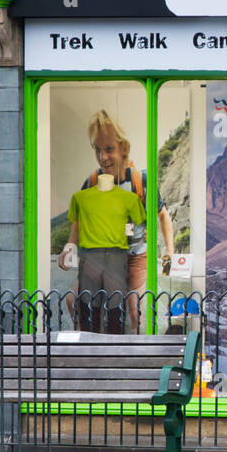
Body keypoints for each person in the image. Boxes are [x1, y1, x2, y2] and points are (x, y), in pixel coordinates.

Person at [59, 111, 174, 332]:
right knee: (74, 301)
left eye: (109, 149)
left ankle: (132, 357)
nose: (103, 157)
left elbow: (163, 215)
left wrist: (169, 250)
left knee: (134, 310)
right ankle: (95, 355)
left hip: (136, 261)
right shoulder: (91, 182)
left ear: (123, 148)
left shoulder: (142, 181)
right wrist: (70, 247)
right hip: (100, 259)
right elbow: (79, 223)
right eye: (97, 150)